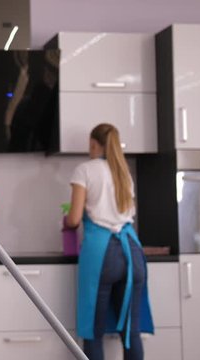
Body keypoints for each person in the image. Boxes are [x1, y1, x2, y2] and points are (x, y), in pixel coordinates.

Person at [64, 123, 153, 360]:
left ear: (94, 144)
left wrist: (67, 220)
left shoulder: (84, 170)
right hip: (132, 250)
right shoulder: (124, 172)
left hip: (102, 253)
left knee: (93, 330)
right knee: (131, 331)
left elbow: (73, 219)